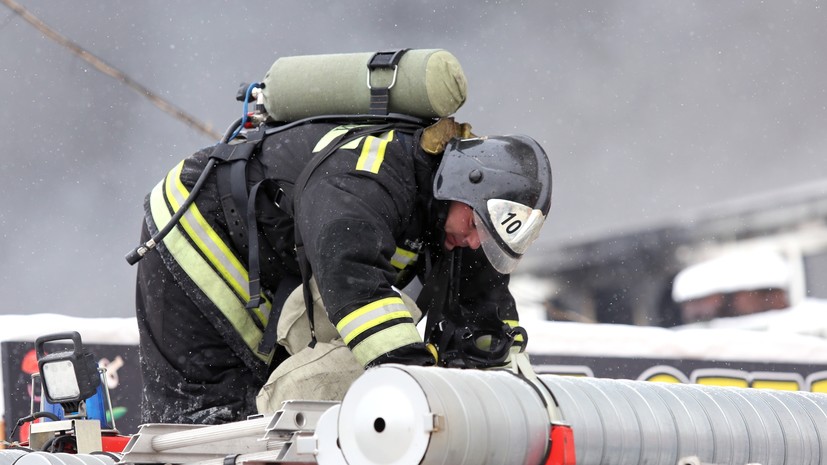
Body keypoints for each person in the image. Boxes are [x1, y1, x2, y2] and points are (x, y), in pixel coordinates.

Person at [132, 56, 552, 426]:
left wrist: (523, 398)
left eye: (489, 237)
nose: (476, 242)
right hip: (195, 232)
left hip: (276, 260)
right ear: (464, 186)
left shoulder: (459, 222)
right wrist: (417, 384)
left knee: (287, 404)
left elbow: (485, 324)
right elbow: (354, 281)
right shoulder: (368, 178)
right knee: (206, 427)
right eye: (478, 226)